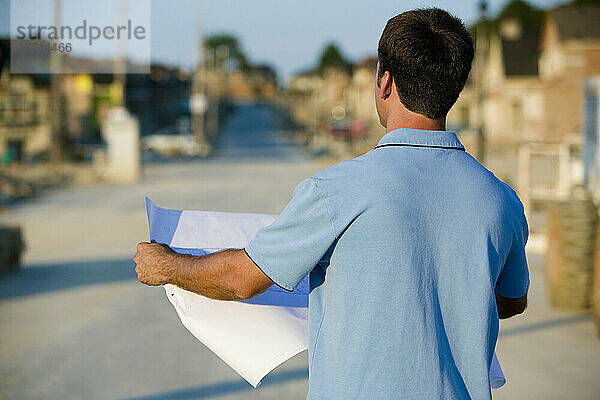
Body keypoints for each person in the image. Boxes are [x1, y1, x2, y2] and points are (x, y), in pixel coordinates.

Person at [134, 8, 529, 399]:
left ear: (385, 82)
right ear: (454, 89)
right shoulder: (501, 200)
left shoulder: (336, 190)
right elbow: (512, 300)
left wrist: (167, 265)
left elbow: (243, 279)